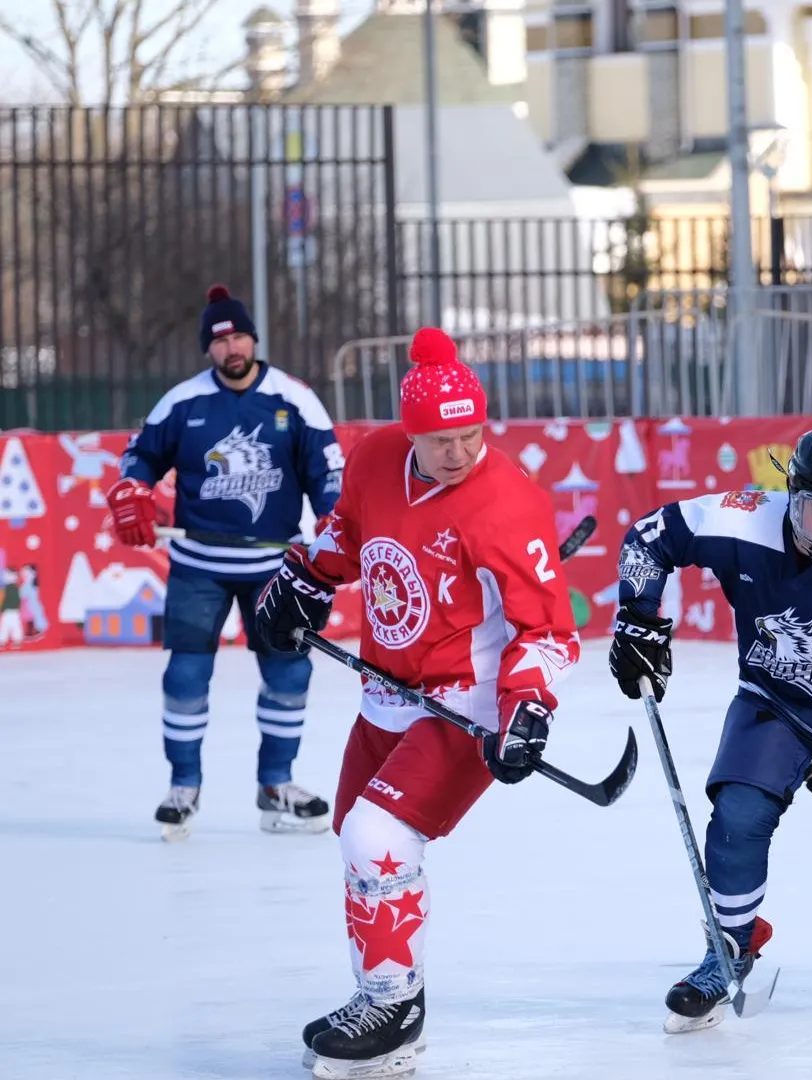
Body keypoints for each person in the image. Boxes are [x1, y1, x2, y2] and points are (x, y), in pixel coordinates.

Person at [252, 327, 581, 1078]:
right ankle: (389, 999)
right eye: (442, 440)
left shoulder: (508, 503)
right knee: (355, 838)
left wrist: (527, 710)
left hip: (469, 700)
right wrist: (302, 581)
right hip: (388, 689)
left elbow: (549, 630)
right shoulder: (372, 458)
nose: (460, 452)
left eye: (472, 434)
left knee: (378, 837)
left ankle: (392, 1011)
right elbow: (346, 535)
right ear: (411, 432)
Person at [608, 430, 812, 1032]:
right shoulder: (741, 520)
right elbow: (648, 538)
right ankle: (730, 946)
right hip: (778, 705)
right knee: (737, 818)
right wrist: (637, 618)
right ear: (791, 499)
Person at [109, 284, 344, 839]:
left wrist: (335, 520)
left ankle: (275, 783)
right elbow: (139, 455)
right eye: (220, 341)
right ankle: (183, 785)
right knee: (185, 675)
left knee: (289, 673)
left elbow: (329, 474)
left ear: (253, 339)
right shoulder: (183, 402)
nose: (231, 347)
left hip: (274, 567)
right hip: (199, 565)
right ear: (207, 349)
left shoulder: (294, 398)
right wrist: (132, 491)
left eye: (239, 336)